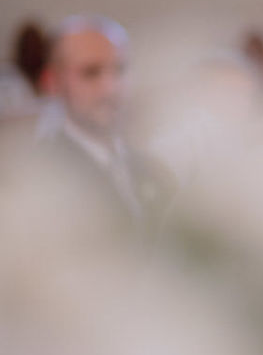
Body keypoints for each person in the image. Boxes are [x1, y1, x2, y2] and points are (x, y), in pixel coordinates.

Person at [36, 15, 173, 235]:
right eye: (91, 73)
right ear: (52, 81)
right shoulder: (40, 175)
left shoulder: (155, 171)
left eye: (120, 70)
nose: (111, 88)